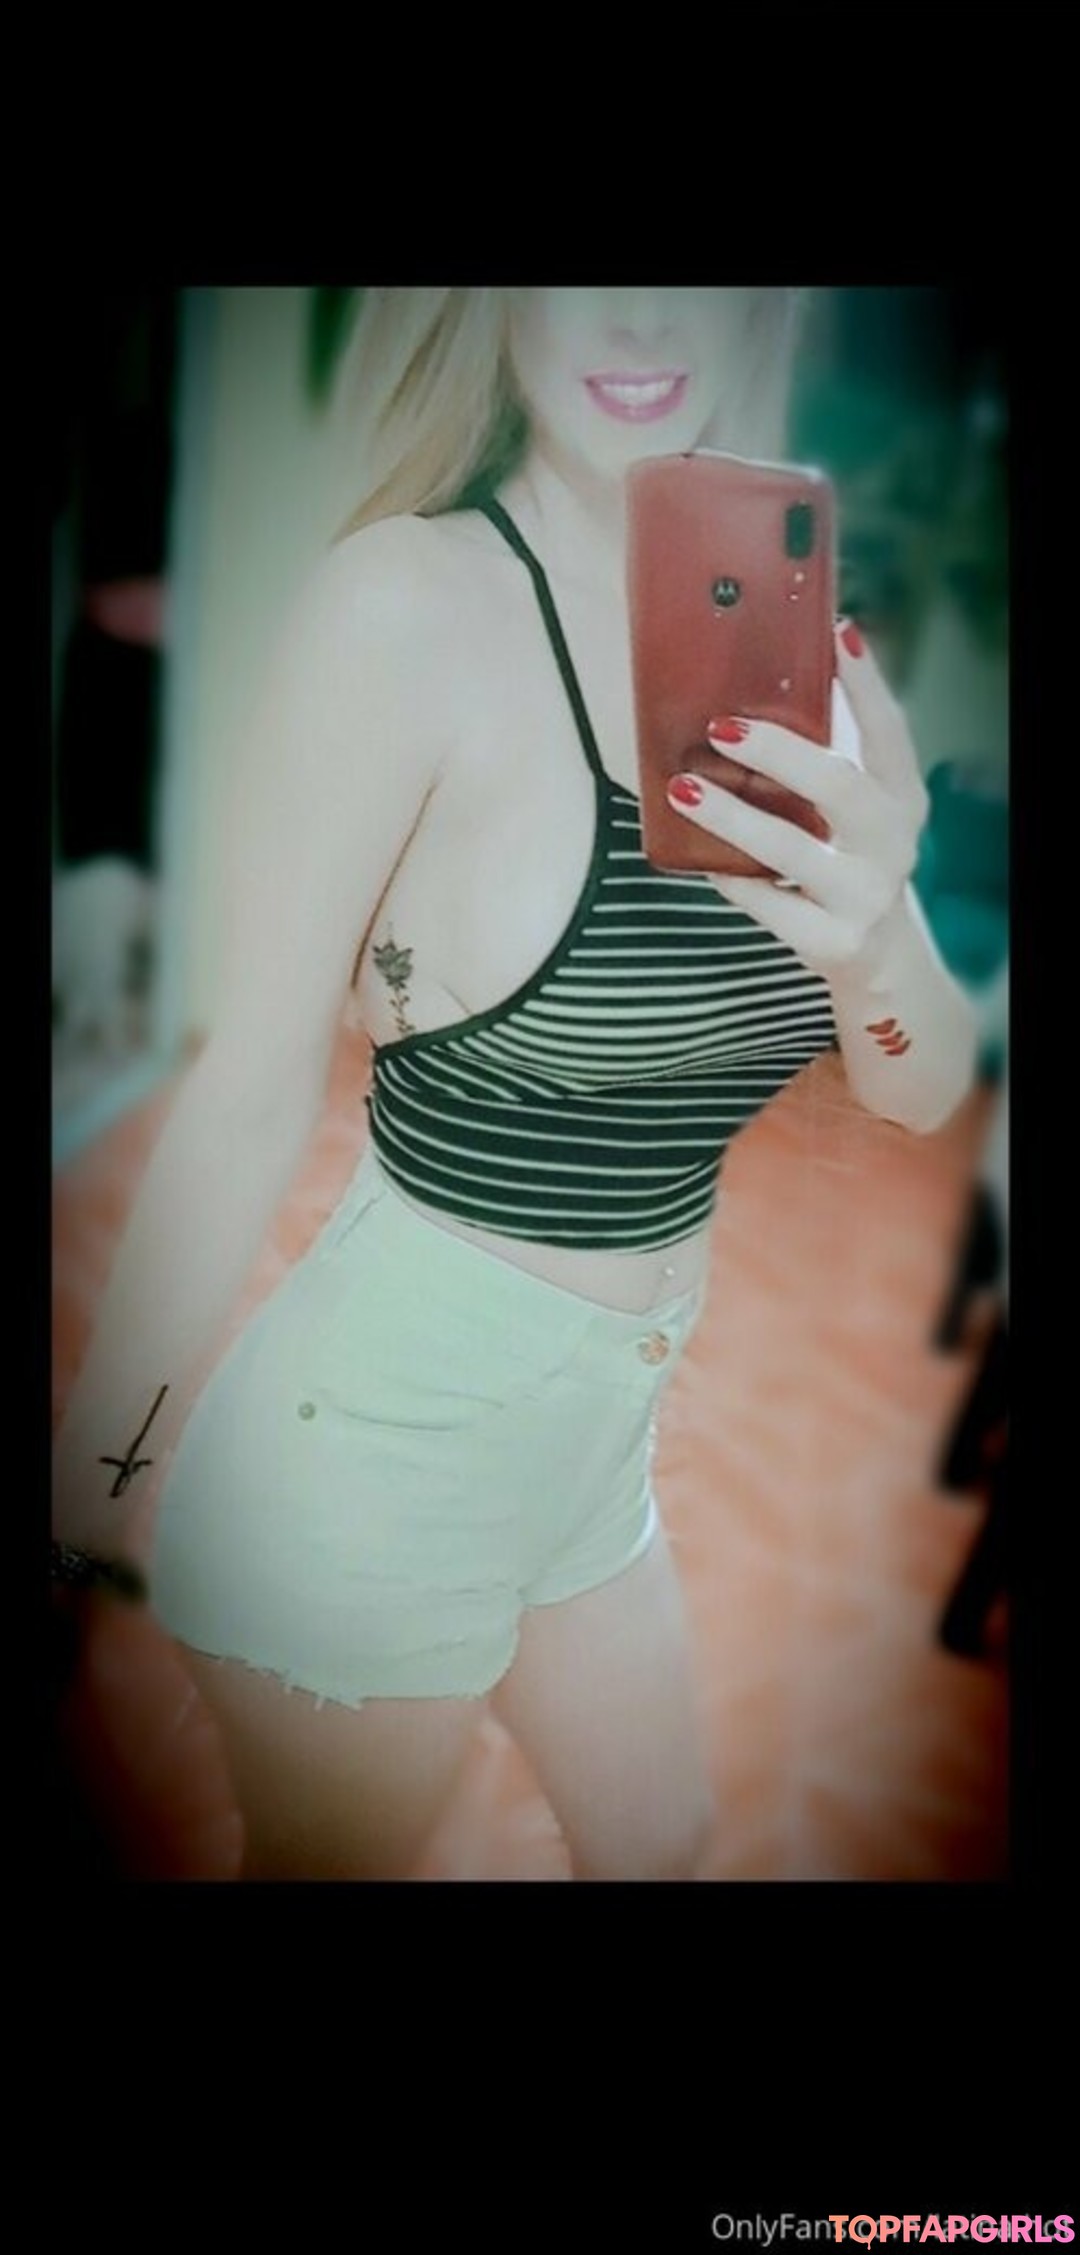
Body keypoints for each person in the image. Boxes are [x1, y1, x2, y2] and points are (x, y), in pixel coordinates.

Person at [51, 287, 978, 1882]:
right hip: (369, 1467)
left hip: (589, 1459)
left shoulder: (780, 635)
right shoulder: (405, 608)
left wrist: (881, 917)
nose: (636, 313)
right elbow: (248, 1095)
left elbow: (920, 1094)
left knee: (660, 1841)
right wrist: (83, 1501)